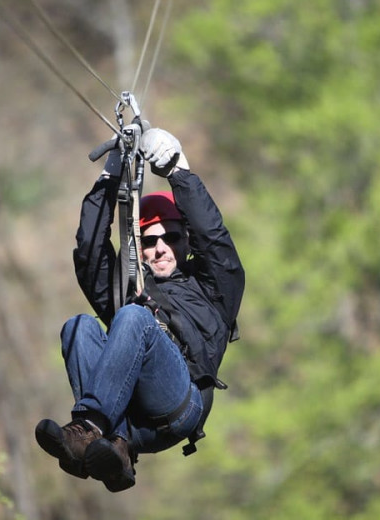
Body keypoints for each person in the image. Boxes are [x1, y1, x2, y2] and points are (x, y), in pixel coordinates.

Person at [35, 127, 245, 492]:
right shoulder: (127, 286)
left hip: (180, 404)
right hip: (128, 418)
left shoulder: (211, 288)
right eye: (150, 240)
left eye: (172, 238)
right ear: (140, 246)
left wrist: (179, 172)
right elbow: (89, 253)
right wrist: (108, 179)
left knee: (133, 316)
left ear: (186, 242)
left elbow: (217, 243)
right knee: (78, 326)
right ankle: (113, 453)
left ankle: (89, 429)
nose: (161, 248)